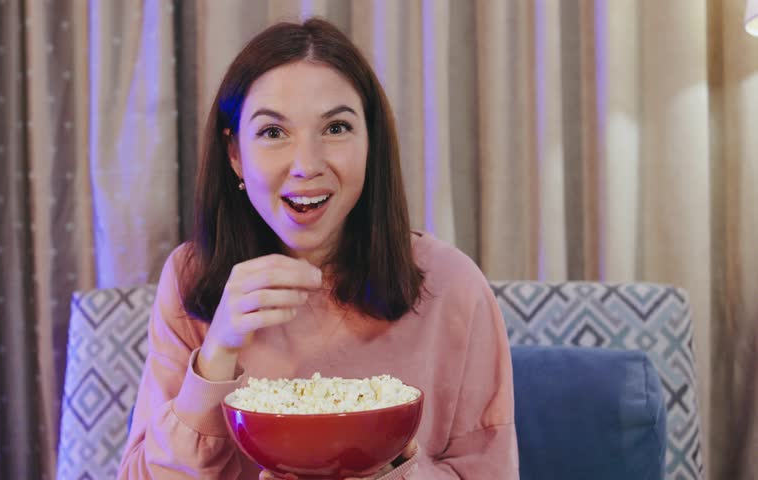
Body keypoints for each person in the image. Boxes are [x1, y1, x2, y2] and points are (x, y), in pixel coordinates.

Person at [118, 17, 518, 480]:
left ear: (371, 142)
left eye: (336, 128)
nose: (306, 165)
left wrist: (387, 469)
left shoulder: (452, 285)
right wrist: (217, 351)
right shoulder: (193, 277)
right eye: (272, 132)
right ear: (234, 155)